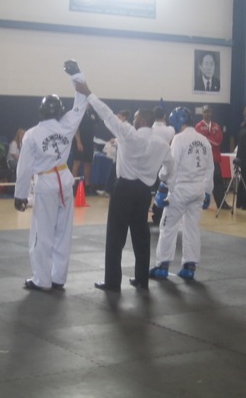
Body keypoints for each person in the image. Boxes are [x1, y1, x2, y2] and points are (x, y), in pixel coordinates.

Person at [73, 80, 173, 292]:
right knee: (141, 235)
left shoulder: (128, 133)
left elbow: (106, 114)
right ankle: (142, 279)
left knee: (115, 236)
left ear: (140, 121)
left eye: (135, 118)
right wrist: (162, 178)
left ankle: (112, 282)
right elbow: (170, 168)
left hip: (124, 189)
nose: (132, 120)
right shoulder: (161, 144)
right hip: (144, 192)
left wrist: (89, 93)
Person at [13, 60, 88, 291]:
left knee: (42, 233)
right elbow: (82, 102)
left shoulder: (32, 134)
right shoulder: (67, 125)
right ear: (59, 110)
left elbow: (24, 168)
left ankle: (42, 280)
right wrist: (76, 75)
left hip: (46, 184)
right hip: (65, 180)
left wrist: (20, 195)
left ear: (41, 111)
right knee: (63, 233)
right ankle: (58, 278)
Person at [149, 107, 212, 280]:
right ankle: (190, 266)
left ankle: (162, 265)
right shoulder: (204, 140)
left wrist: (163, 185)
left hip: (180, 189)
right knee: (192, 227)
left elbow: (172, 165)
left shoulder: (179, 139)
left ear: (178, 121)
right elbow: (210, 169)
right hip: (198, 189)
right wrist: (208, 191)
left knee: (168, 226)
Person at [195, 104, 227, 209]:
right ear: (202, 113)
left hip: (214, 158)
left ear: (211, 112)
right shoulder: (198, 126)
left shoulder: (216, 126)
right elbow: (199, 141)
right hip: (203, 159)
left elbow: (218, 141)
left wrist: (206, 138)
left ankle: (221, 203)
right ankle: (200, 202)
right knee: (201, 181)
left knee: (218, 182)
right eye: (205, 112)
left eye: (208, 111)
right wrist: (210, 138)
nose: (207, 114)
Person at [71, 104, 98, 194]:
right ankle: (73, 184)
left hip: (89, 142)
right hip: (79, 141)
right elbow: (75, 128)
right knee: (77, 163)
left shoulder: (93, 113)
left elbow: (95, 125)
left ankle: (87, 185)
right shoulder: (79, 112)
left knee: (88, 163)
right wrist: (78, 141)